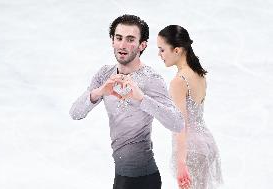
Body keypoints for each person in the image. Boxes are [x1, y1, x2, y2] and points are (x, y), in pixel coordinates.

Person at [69, 15, 185, 189]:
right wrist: (99, 92)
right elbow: (75, 113)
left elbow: (177, 123)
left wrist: (141, 99)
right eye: (119, 38)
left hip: (144, 177)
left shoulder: (150, 79)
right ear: (112, 41)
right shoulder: (104, 74)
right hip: (122, 175)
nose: (122, 45)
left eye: (130, 39)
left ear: (142, 45)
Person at [157, 25, 223, 189]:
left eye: (162, 50)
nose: (159, 55)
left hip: (191, 149)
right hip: (206, 143)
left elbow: (181, 125)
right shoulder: (198, 73)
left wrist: (181, 163)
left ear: (177, 50)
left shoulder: (179, 81)